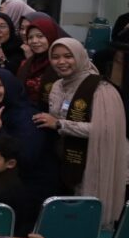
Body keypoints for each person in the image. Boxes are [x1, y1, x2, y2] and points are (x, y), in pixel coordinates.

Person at [33, 38, 128, 226]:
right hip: (68, 158)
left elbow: (105, 130)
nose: (61, 62)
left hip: (97, 159)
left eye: (68, 56)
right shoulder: (57, 86)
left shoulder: (101, 89)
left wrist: (60, 125)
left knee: (91, 218)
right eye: (55, 57)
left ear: (80, 56)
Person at [0, 68, 57, 212]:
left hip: (31, 188)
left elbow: (26, 158)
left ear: (10, 87)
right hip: (7, 180)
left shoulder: (28, 116)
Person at [18, 12, 65, 111]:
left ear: (50, 36)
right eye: (30, 37)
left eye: (40, 36)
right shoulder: (27, 63)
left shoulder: (62, 64)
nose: (34, 41)